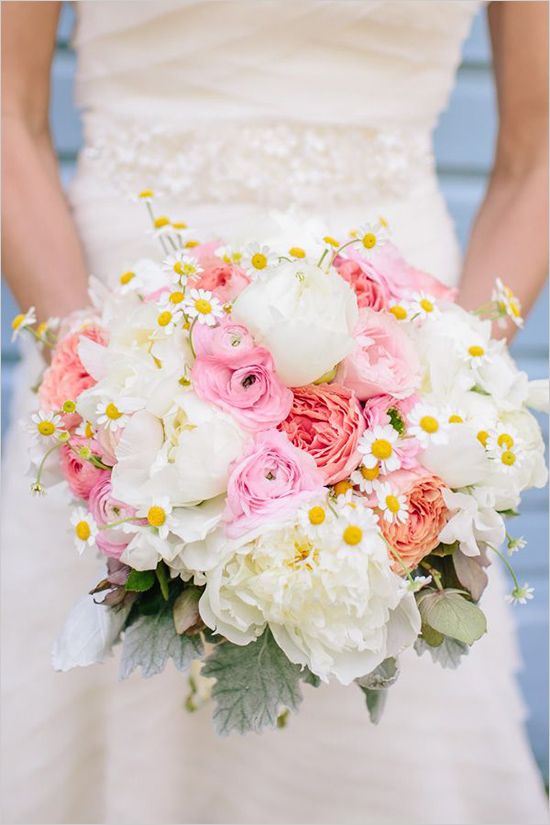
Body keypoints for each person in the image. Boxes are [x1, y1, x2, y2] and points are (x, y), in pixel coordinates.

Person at [1, 2, 548, 823]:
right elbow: (9, 109)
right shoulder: (103, 383)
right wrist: (90, 376)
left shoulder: (423, 400)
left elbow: (533, 156)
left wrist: (450, 398)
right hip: (120, 348)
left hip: (402, 369)